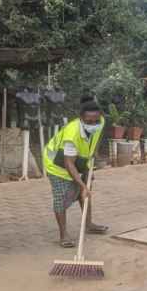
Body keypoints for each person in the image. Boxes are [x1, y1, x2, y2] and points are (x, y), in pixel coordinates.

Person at [43, 97, 109, 247]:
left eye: (96, 121)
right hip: (57, 165)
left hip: (80, 160)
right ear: (81, 119)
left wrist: (94, 154)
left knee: (84, 193)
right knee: (61, 198)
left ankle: (89, 224)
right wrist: (82, 185)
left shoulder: (101, 121)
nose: (93, 124)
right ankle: (63, 235)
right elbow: (68, 163)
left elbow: (98, 137)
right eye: (89, 122)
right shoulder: (72, 134)